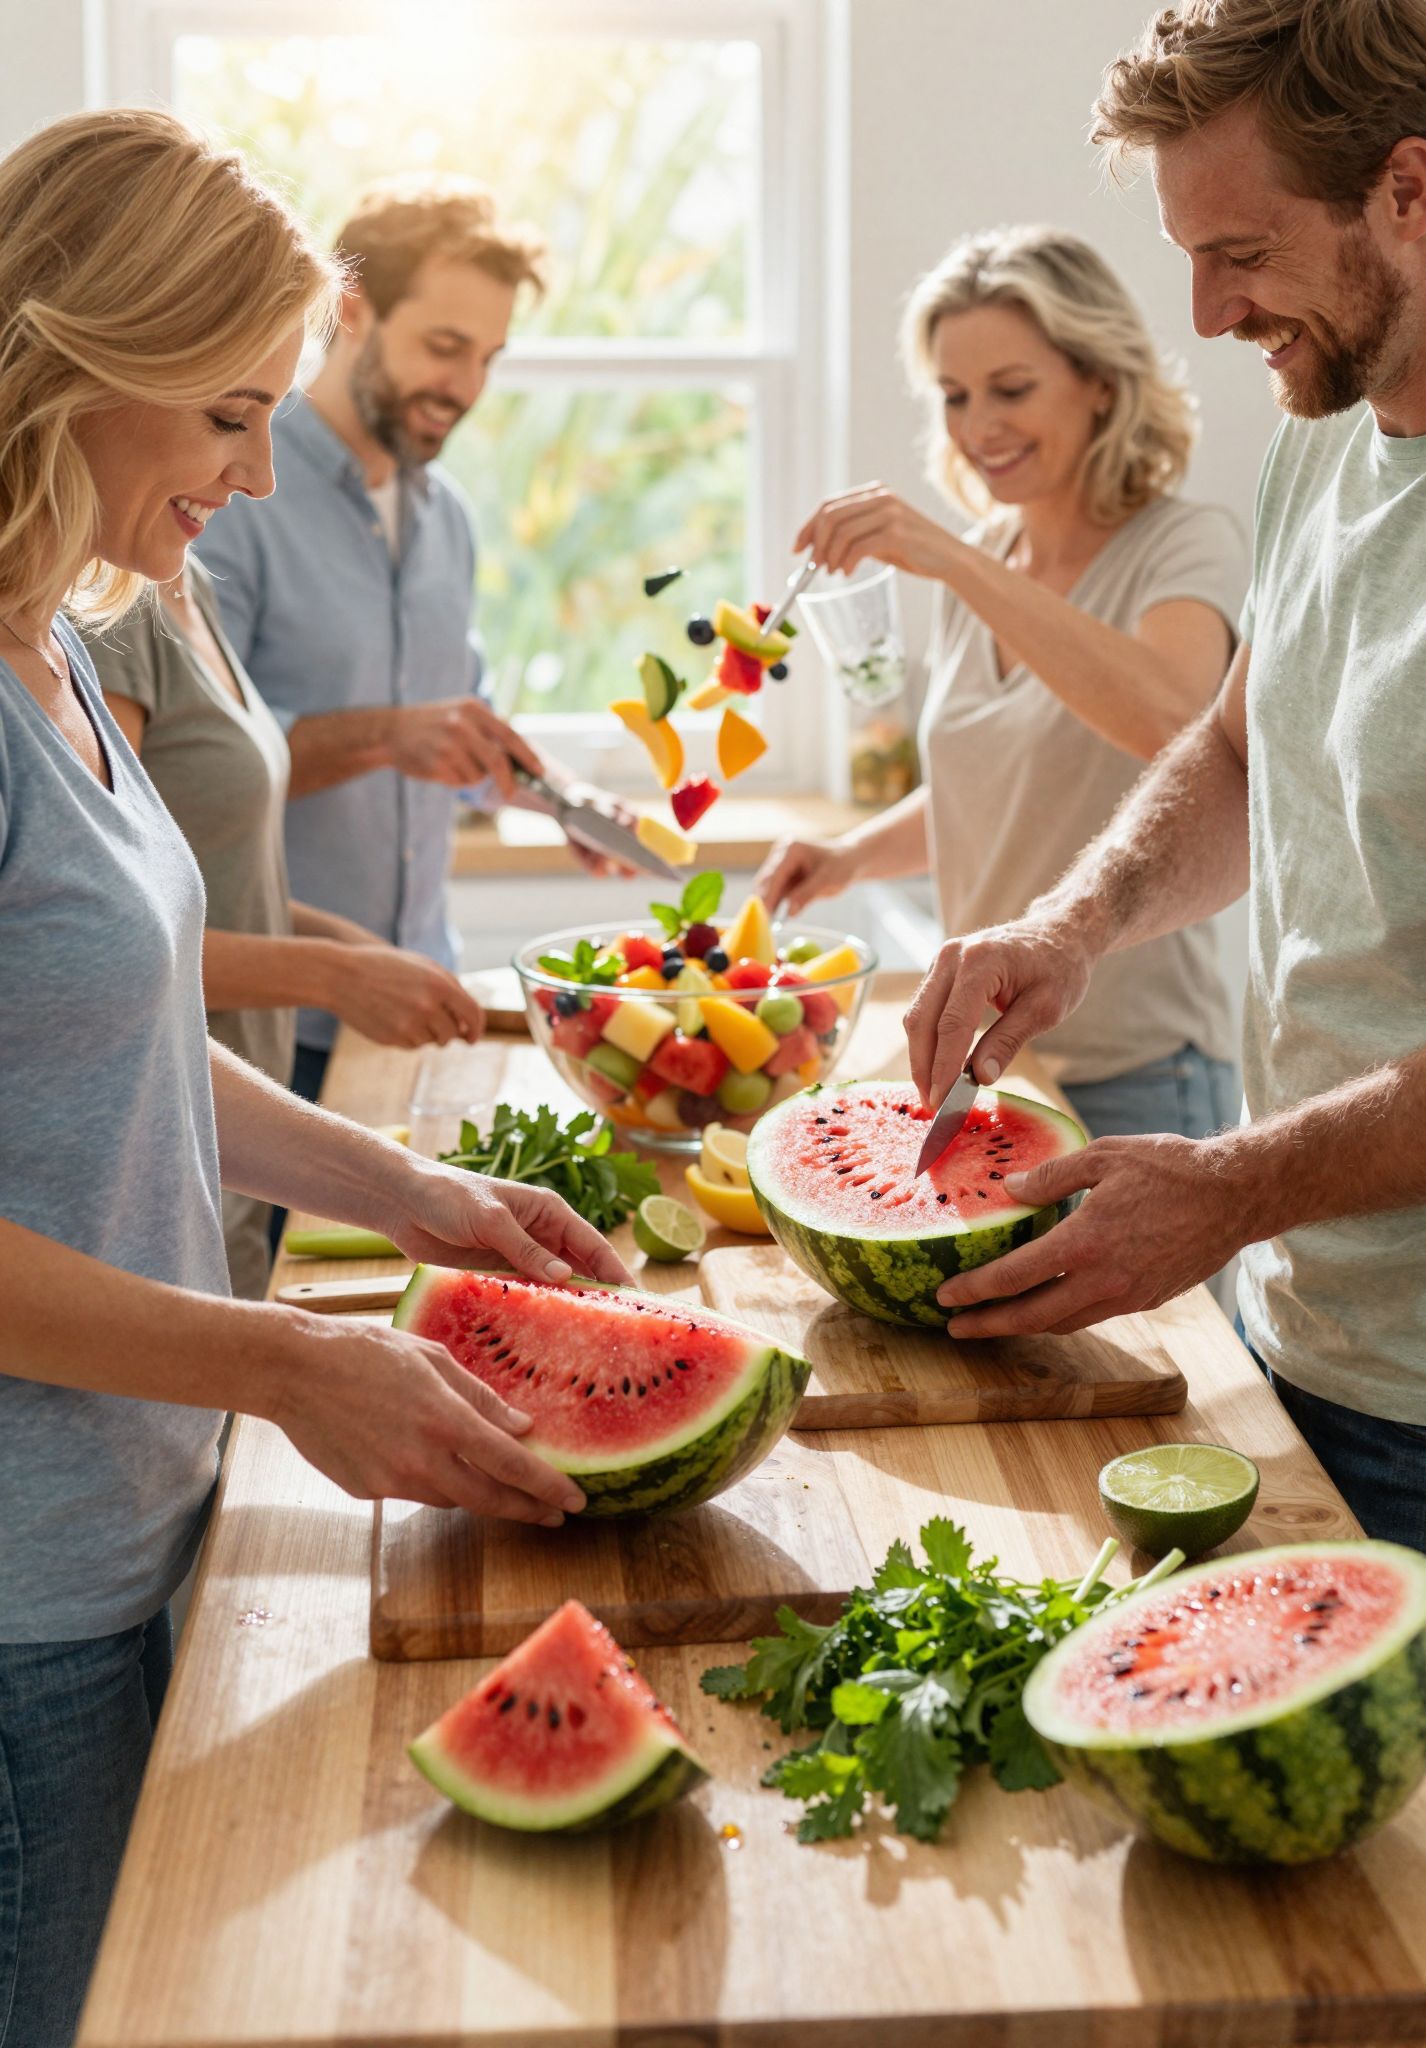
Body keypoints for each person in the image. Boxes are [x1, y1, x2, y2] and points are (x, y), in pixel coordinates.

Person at [0, 110, 630, 2048]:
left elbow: (125, 1039)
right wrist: (287, 1360)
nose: (252, 473)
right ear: (68, 364)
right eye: (217, 416)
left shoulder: (63, 648)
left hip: (135, 1499)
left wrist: (413, 1195)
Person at [903, 0, 1426, 1774]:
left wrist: (1235, 1183)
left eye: (1242, 254)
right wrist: (1073, 922)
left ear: (1408, 188)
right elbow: (1243, 752)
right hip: (1310, 1333)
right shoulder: (1334, 426)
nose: (1205, 315)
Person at [755, 227, 1247, 1140]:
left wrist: (949, 560)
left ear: (1101, 380)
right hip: (983, 1069)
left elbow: (1181, 728)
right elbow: (997, 787)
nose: (979, 427)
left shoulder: (1184, 544)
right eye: (954, 396)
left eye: (1012, 389)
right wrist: (850, 855)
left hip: (1137, 1073)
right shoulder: (986, 561)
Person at [196, 173, 633, 1105]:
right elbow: (196, 773)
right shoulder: (227, 503)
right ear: (351, 311)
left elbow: (449, 736)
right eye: (444, 347)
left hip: (422, 1000)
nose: (466, 387)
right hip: (271, 1028)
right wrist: (388, 735)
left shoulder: (448, 521)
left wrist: (559, 797)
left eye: (488, 356)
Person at [90, 560, 485, 1298]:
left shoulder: (189, 587)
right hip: (166, 1141)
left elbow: (206, 889)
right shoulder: (107, 621)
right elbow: (114, 950)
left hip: (237, 1136)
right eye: (229, 432)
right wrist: (333, 977)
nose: (263, 478)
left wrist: (345, 942)